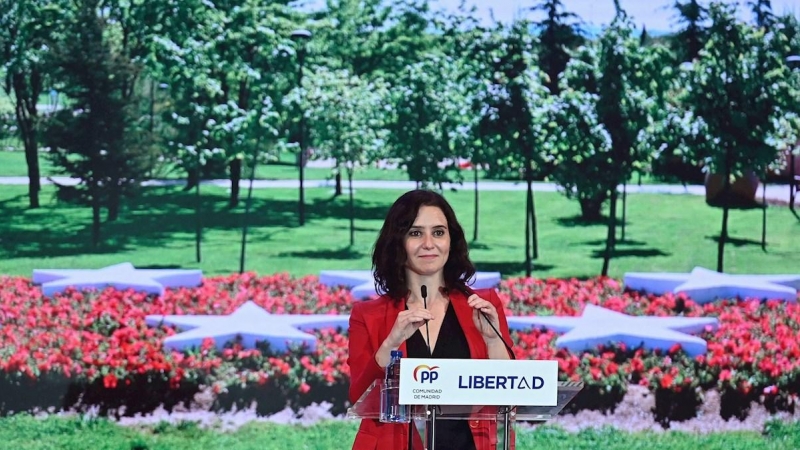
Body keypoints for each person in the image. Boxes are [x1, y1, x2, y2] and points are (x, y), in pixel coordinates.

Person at [348, 189, 515, 450]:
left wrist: (493, 341)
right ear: (397, 241)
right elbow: (360, 398)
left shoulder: (483, 306)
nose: (429, 243)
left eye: (438, 232)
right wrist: (391, 343)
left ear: (451, 240)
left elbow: (511, 395)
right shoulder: (367, 316)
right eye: (416, 233)